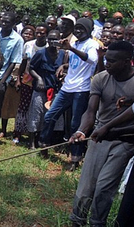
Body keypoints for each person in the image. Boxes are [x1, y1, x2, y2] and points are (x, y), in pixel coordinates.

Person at [61, 41, 134, 227]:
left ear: (128, 61)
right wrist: (82, 130)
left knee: (104, 188)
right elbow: (91, 111)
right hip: (99, 138)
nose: (106, 63)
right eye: (106, 59)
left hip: (126, 141)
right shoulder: (101, 78)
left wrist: (114, 131)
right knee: (85, 187)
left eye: (112, 60)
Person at [41, 18, 98, 166]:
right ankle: (44, 146)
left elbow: (91, 59)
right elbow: (75, 64)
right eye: (77, 28)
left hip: (81, 89)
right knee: (49, 116)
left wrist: (71, 49)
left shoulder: (92, 45)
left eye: (82, 29)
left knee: (75, 125)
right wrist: (64, 66)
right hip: (67, 88)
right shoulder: (75, 43)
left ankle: (75, 158)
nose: (78, 31)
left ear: (89, 30)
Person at [0, 11, 24, 144]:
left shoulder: (17, 40)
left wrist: (2, 81)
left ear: (13, 24)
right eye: (2, 21)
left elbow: (13, 62)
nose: (3, 24)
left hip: (1, 78)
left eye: (7, 22)